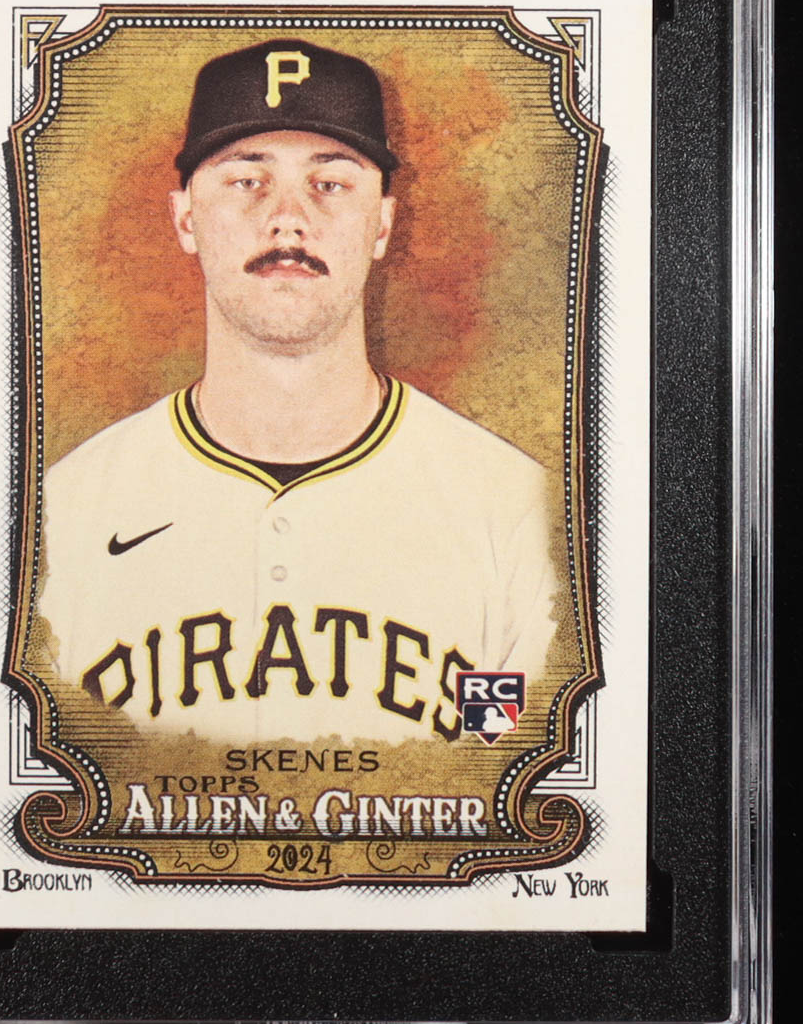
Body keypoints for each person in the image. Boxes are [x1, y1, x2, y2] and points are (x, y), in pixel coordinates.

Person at [37, 40, 559, 747]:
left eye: (330, 183)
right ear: (185, 218)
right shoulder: (63, 518)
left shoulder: (514, 515)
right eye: (245, 180)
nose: (287, 218)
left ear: (382, 223)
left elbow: (499, 780)